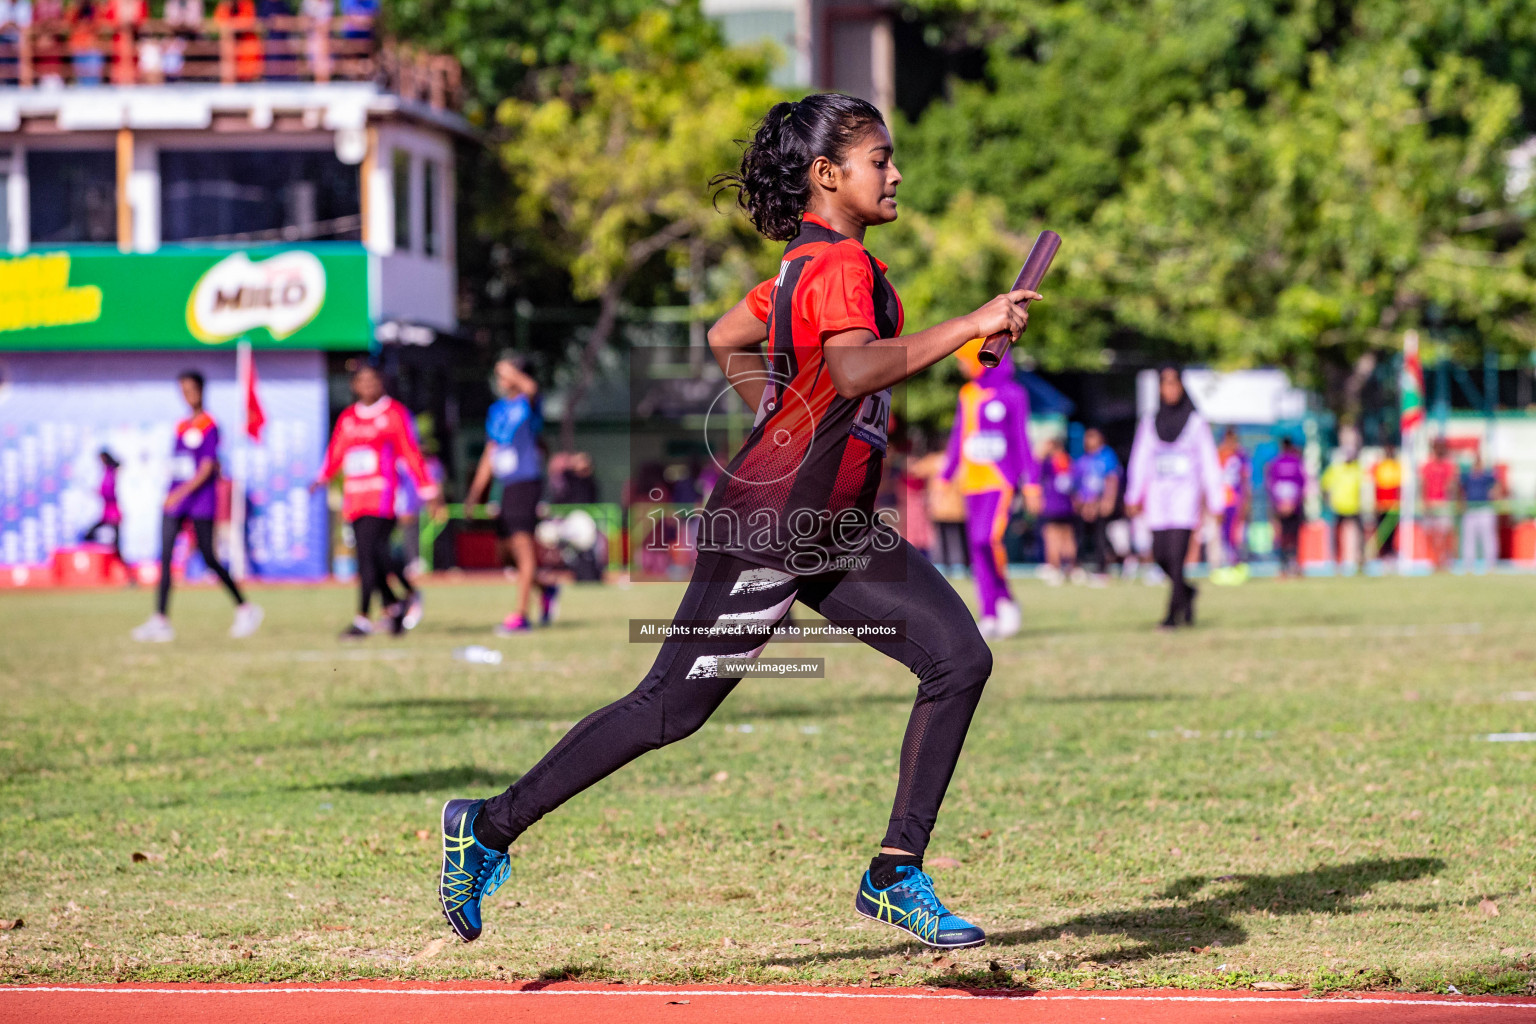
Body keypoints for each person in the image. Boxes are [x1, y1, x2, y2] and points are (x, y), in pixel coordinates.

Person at [437, 93, 1038, 950]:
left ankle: (894, 872)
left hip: (834, 529)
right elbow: (858, 368)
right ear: (828, 176)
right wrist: (970, 323)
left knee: (958, 659)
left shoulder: (809, 267)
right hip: (769, 528)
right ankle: (486, 827)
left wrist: (785, 415)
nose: (896, 173)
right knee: (666, 712)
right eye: (881, 160)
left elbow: (730, 335)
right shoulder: (834, 267)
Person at [132, 370, 263, 642]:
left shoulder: (210, 425)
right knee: (166, 557)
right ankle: (160, 620)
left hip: (199, 500)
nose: (188, 395)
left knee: (209, 557)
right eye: (183, 390)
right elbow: (180, 463)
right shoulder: (181, 426)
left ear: (202, 391)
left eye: (191, 389)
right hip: (176, 501)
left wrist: (180, 492)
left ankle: (245, 608)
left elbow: (206, 468)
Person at [311, 365, 440, 639]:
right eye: (362, 381)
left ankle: (363, 619)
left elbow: (410, 451)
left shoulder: (394, 413)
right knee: (370, 556)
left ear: (382, 383)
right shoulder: (348, 418)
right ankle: (397, 604)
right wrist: (322, 477)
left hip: (384, 495)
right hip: (355, 497)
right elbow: (337, 450)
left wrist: (428, 489)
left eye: (373, 380)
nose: (368, 385)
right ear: (354, 386)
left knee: (371, 555)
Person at [940, 338, 1038, 637]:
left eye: (964, 359)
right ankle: (989, 613)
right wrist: (946, 475)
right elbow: (959, 436)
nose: (961, 366)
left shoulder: (1013, 394)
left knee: (988, 540)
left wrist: (1032, 483)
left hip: (1000, 481)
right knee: (976, 548)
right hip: (972, 483)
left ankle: (1005, 599)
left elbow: (1022, 440)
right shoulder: (967, 394)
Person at [1125, 366, 1222, 629]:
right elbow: (1140, 459)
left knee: (1177, 555)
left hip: (1185, 497)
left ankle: (1171, 616)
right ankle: (1187, 592)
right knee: (1160, 555)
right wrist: (1133, 494)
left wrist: (1216, 500)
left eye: (1174, 384)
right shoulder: (1149, 422)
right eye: (1164, 384)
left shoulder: (1196, 423)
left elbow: (1209, 461)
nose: (1170, 390)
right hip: (1158, 499)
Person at [466, 353, 545, 635]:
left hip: (526, 482)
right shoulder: (497, 410)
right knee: (505, 552)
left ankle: (521, 616)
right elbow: (491, 451)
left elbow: (533, 389)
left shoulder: (529, 403)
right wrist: (476, 492)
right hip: (505, 486)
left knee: (523, 547)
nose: (501, 380)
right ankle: (545, 588)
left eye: (506, 375)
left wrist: (512, 371)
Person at [1072, 427, 1120, 580]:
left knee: (1101, 536)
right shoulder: (1083, 459)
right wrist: (1081, 504)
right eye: (1087, 437)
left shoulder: (1107, 456)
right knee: (1081, 536)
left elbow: (1111, 479)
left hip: (1100, 504)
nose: (1089, 441)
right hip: (1085, 506)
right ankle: (1079, 565)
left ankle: (1103, 567)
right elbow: (1077, 484)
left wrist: (1107, 501)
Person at [81, 448, 130, 582]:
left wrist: (100, 492)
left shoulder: (112, 472)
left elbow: (111, 492)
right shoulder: (107, 472)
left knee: (117, 548)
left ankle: (129, 576)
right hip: (106, 514)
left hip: (113, 515)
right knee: (89, 535)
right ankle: (101, 567)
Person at [1320, 444, 1365, 573]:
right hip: (1338, 507)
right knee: (1335, 536)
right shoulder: (1336, 469)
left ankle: (1360, 560)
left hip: (1354, 507)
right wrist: (1327, 502)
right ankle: (1335, 561)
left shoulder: (1357, 469)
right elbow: (1324, 485)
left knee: (1360, 535)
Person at [1037, 436, 1077, 584]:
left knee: (1051, 535)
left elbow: (1036, 470)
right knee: (1067, 535)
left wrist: (1042, 454)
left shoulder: (1052, 462)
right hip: (1067, 505)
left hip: (1053, 504)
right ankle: (1071, 567)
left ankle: (1054, 567)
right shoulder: (1068, 460)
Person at [1266, 437, 1307, 578]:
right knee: (1292, 538)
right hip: (1292, 506)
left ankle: (1285, 568)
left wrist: (1279, 504)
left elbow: (1271, 485)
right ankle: (1292, 567)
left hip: (1283, 506)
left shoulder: (1275, 463)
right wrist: (1293, 503)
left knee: (1285, 538)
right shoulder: (1297, 462)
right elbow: (1302, 485)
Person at [1459, 450, 1503, 573]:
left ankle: (1491, 564)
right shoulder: (1467, 476)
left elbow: (1498, 484)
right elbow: (1462, 490)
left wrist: (1494, 493)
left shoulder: (1487, 476)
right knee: (1469, 539)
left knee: (1488, 538)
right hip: (1471, 510)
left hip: (1485, 509)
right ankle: (1468, 565)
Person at [1421, 438, 1458, 571]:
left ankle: (1445, 560)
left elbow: (1451, 484)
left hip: (1443, 504)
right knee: (1431, 534)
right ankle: (1434, 561)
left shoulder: (1449, 465)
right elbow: (1424, 484)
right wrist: (1425, 502)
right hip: (1430, 504)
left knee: (1445, 534)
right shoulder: (1427, 465)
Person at [1216, 428, 1250, 570]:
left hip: (1234, 500)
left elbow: (1244, 479)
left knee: (1235, 533)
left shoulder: (1240, 456)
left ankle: (1234, 561)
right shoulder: (1219, 455)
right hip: (1220, 500)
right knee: (1221, 533)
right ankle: (1222, 563)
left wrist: (1246, 499)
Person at [1370, 445, 1401, 560]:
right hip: (1381, 506)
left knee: (1392, 532)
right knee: (1381, 531)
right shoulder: (1379, 466)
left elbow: (1398, 486)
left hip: (1393, 506)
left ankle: (1390, 552)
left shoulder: (1397, 466)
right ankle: (1381, 553)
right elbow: (1376, 486)